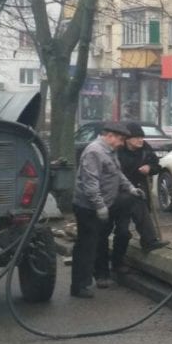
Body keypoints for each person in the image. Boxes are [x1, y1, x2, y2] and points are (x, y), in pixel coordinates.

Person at [71, 121, 142, 298]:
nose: (121, 143)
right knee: (86, 246)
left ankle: (93, 277)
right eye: (120, 139)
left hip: (104, 203)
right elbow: (91, 183)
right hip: (88, 207)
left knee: (96, 240)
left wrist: (130, 188)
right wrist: (100, 206)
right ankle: (80, 286)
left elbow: (117, 174)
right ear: (109, 136)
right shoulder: (94, 152)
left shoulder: (110, 152)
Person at [109, 121, 169, 276]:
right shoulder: (118, 152)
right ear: (127, 139)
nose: (140, 141)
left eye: (141, 137)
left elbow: (156, 165)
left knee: (143, 216)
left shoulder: (145, 149)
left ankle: (149, 241)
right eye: (136, 138)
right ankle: (117, 262)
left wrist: (149, 168)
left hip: (139, 191)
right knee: (122, 230)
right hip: (121, 194)